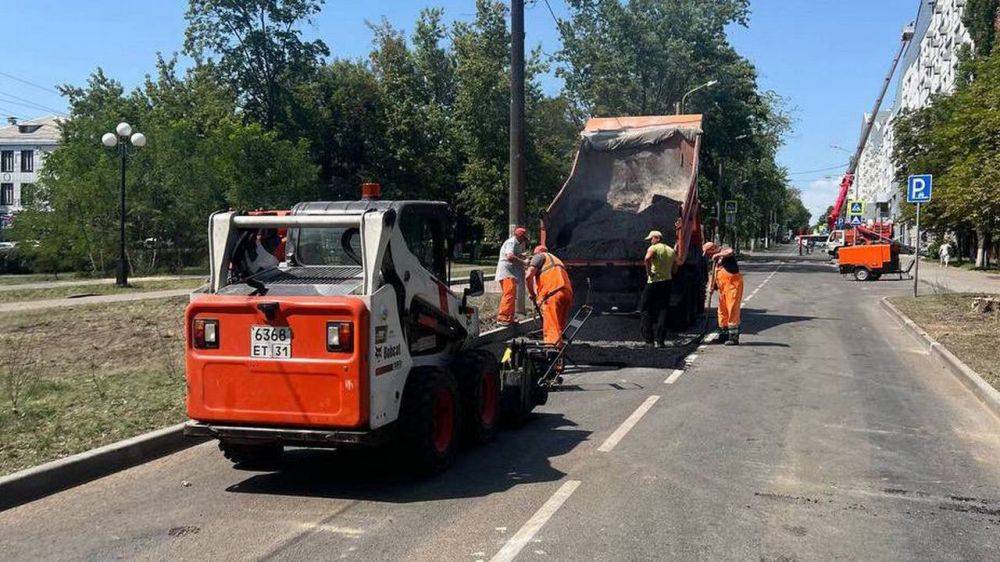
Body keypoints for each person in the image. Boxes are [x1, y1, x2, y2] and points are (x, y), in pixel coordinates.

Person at [525, 246, 574, 348]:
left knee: (551, 325)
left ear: (537, 252)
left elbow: (528, 276)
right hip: (567, 293)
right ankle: (559, 350)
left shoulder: (539, 257)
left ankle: (553, 353)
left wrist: (532, 294)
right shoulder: (556, 259)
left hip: (553, 294)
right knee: (558, 325)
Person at [640, 230, 676, 347]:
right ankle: (660, 341)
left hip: (654, 282)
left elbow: (647, 259)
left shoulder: (653, 248)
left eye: (651, 239)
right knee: (663, 310)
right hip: (667, 282)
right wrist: (672, 272)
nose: (650, 241)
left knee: (645, 308)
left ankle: (649, 340)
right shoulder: (671, 250)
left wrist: (649, 272)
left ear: (657, 238)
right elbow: (678, 263)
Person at [704, 242, 744, 345]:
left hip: (732, 287)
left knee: (732, 311)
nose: (708, 256)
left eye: (708, 253)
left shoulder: (724, 252)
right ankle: (723, 335)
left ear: (713, 249)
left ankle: (733, 338)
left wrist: (718, 254)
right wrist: (711, 286)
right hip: (723, 290)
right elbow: (713, 273)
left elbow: (730, 251)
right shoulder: (716, 261)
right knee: (722, 312)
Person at [496, 227, 529, 326]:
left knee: (511, 295)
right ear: (520, 236)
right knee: (509, 295)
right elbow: (510, 257)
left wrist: (522, 255)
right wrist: (523, 261)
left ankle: (509, 318)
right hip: (507, 273)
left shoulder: (517, 244)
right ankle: (502, 318)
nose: (524, 240)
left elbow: (514, 255)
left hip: (511, 273)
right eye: (524, 238)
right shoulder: (511, 242)